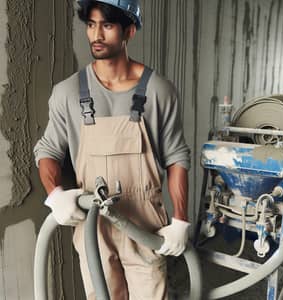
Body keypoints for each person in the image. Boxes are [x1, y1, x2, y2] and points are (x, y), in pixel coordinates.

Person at [34, 0, 191, 299]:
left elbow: (176, 157)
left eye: (106, 25)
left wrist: (181, 219)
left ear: (129, 31)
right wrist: (55, 195)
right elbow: (48, 151)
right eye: (91, 25)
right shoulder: (67, 92)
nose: (96, 35)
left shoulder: (159, 91)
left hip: (145, 225)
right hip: (95, 226)